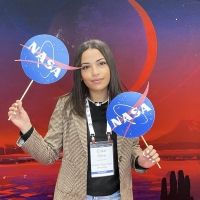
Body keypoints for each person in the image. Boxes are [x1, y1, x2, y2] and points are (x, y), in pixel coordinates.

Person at [8, 39, 160, 200]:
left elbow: (132, 147)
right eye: (86, 67)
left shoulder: (126, 105)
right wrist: (26, 127)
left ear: (111, 68)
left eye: (101, 63)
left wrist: (140, 161)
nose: (95, 72)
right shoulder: (66, 105)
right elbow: (48, 155)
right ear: (80, 74)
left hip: (118, 196)